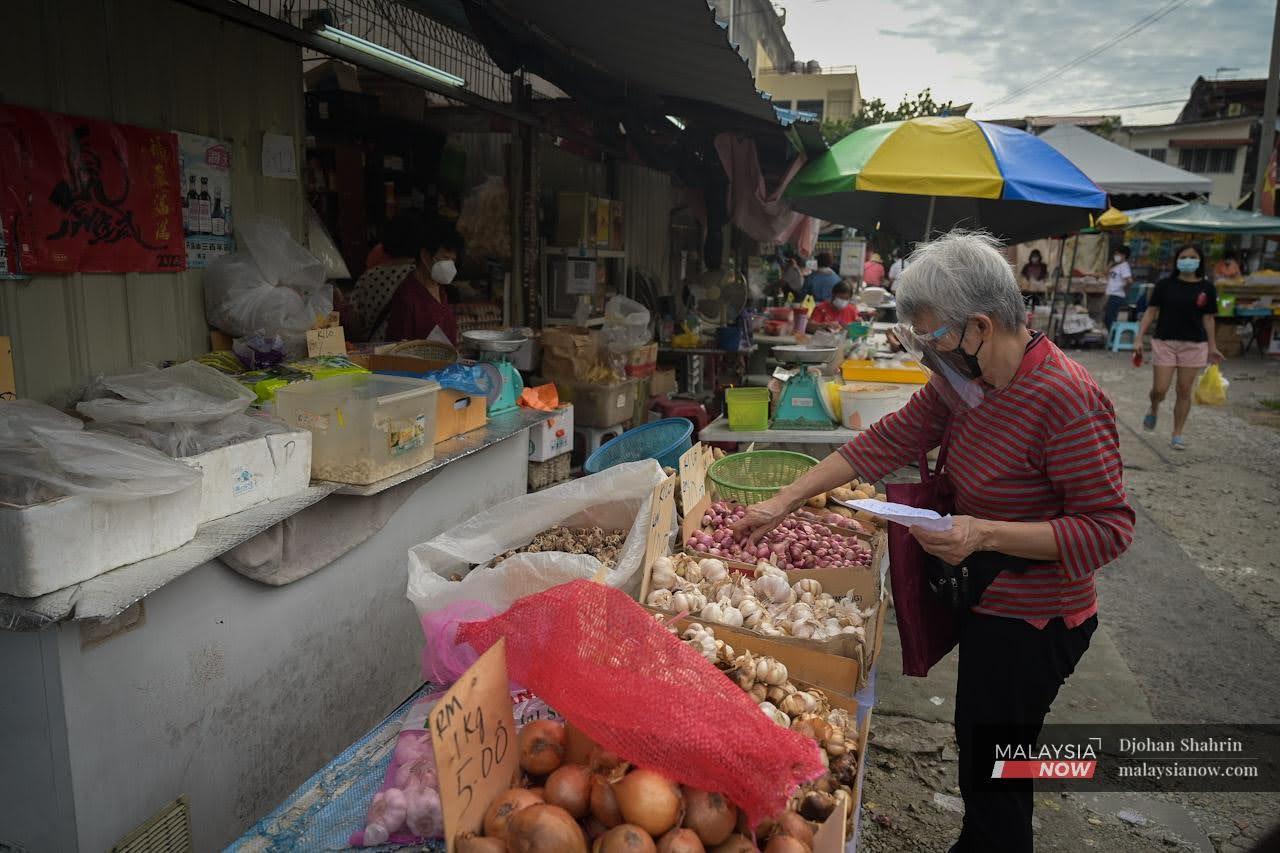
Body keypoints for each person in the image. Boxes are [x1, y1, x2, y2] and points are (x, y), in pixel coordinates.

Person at [734, 230, 1133, 853]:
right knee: (980, 747)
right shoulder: (965, 385)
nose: (929, 353)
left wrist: (984, 532)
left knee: (999, 769)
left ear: (980, 327)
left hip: (1036, 619)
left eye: (934, 337)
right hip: (985, 600)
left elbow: (1109, 527)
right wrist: (783, 500)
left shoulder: (1065, 397)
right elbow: (885, 441)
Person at [1134, 243, 1222, 450]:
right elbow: (1151, 312)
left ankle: (1177, 434)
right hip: (1165, 342)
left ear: (1200, 261)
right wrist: (1139, 338)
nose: (1187, 261)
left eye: (1192, 257)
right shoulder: (1164, 285)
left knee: (1184, 390)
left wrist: (1213, 346)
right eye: (1183, 257)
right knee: (1160, 389)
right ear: (1176, 261)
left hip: (1194, 345)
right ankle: (1154, 407)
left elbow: (1209, 318)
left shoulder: (1207, 288)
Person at [344, 213, 426, 341]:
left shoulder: (369, 276)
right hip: (410, 348)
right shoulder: (422, 277)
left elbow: (355, 325)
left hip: (375, 349)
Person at [384, 222, 464, 345]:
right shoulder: (407, 297)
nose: (450, 265)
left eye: (453, 260)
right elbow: (398, 347)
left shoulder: (440, 289)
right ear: (425, 255)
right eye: (445, 258)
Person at [1104, 246, 1133, 331]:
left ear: (1123, 255)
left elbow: (1130, 281)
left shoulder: (1124, 266)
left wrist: (1123, 289)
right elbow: (1105, 273)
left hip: (1116, 295)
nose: (1115, 256)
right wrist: (1110, 264)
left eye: (1117, 254)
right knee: (1108, 318)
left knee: (1110, 319)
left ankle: (1112, 336)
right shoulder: (1117, 266)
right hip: (1112, 295)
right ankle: (1110, 336)